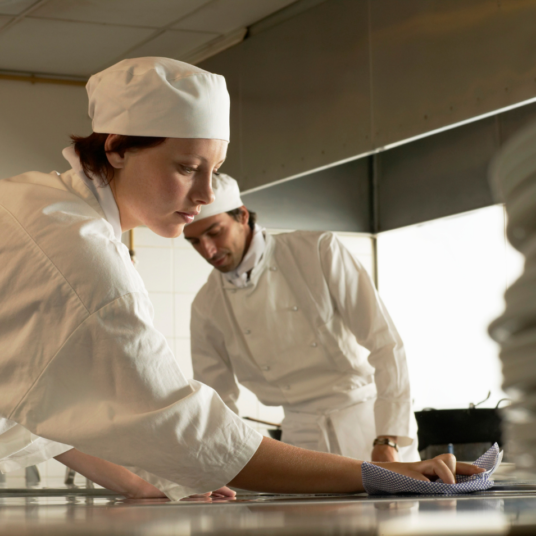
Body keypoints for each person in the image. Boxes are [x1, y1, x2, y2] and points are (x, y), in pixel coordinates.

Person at [0, 57, 482, 500]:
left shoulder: (35, 201)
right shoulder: (82, 258)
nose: (205, 193)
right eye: (188, 168)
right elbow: (188, 425)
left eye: (215, 170)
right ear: (118, 148)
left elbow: (43, 411)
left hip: (359, 423)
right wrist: (379, 475)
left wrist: (149, 486)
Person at [185, 174, 419, 463]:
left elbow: (385, 343)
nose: (207, 250)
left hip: (370, 426)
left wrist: (388, 439)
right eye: (194, 241)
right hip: (299, 440)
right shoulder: (206, 304)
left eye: (214, 232)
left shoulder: (318, 251)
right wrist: (225, 462)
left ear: (242, 216)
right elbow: (216, 398)